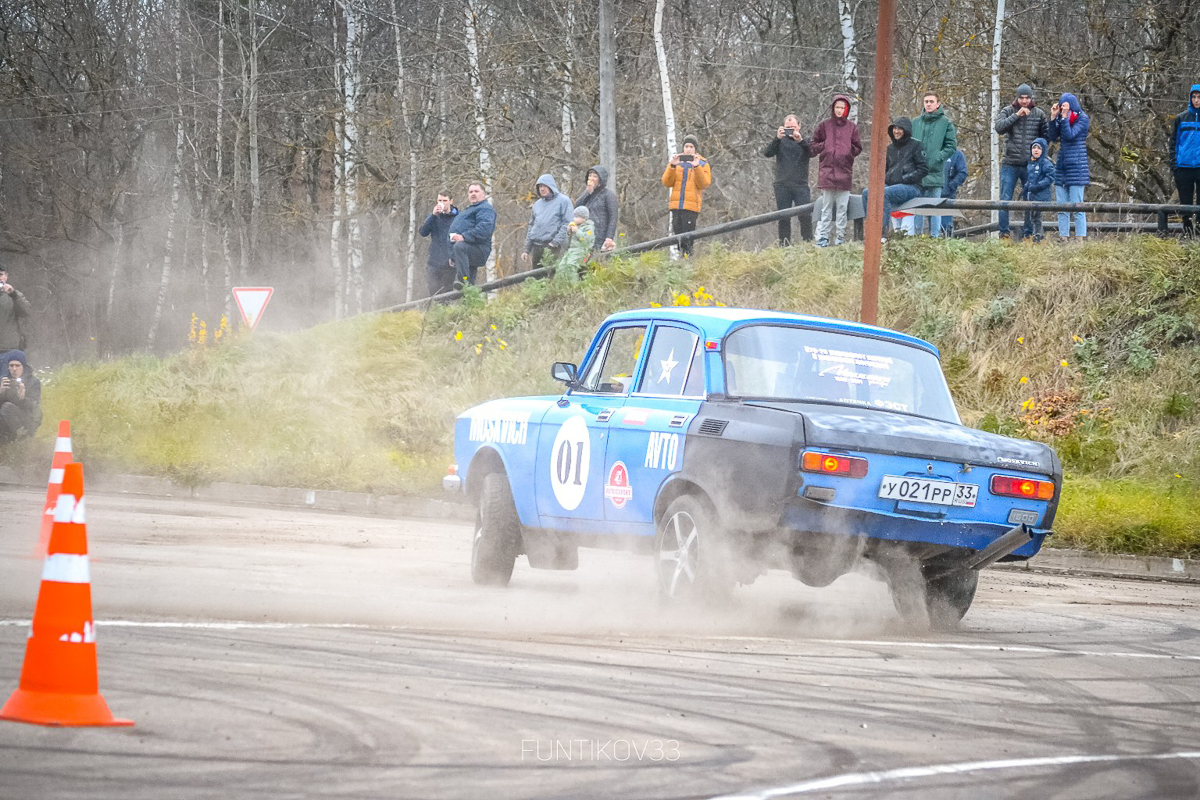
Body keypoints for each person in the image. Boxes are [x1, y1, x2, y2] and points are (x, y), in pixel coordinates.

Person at [994, 84, 1049, 240]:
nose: (1024, 101)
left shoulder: (1039, 114)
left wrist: (1040, 157)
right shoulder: (1008, 110)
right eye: (1021, 98)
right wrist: (1017, 115)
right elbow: (999, 128)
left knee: (1029, 199)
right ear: (1017, 98)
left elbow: (1045, 137)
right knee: (1005, 198)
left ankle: (1028, 233)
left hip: (1030, 164)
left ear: (1031, 98)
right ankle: (1004, 233)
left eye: (1027, 98)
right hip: (1010, 162)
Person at [809, 94, 862, 247]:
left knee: (842, 208)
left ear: (846, 109)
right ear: (833, 108)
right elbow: (813, 145)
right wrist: (825, 147)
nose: (839, 110)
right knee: (826, 208)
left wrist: (848, 152)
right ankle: (823, 237)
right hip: (827, 173)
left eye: (842, 108)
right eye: (837, 107)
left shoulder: (851, 128)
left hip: (844, 173)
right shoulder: (824, 125)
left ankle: (840, 237)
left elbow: (857, 147)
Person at [862, 118, 927, 241]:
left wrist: (906, 178)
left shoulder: (916, 145)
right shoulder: (889, 149)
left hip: (912, 187)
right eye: (894, 128)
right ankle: (871, 231)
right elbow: (884, 171)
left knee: (884, 193)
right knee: (867, 193)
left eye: (899, 128)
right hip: (892, 186)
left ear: (906, 130)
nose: (896, 131)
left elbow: (923, 169)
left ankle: (882, 235)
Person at [905, 92, 957, 237]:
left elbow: (951, 145)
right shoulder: (915, 122)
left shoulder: (946, 123)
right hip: (917, 173)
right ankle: (917, 237)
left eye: (931, 101)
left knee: (935, 208)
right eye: (926, 101)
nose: (928, 104)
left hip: (935, 171)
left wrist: (938, 157)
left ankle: (935, 237)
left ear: (937, 104)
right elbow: (907, 144)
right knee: (917, 207)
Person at [762, 114, 812, 245]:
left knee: (805, 215)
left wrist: (800, 140)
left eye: (793, 127)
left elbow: (812, 152)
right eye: (788, 128)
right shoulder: (780, 142)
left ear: (799, 127)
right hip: (782, 185)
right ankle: (784, 246)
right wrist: (777, 138)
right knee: (783, 217)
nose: (791, 130)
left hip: (800, 185)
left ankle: (808, 243)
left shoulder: (804, 141)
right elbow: (767, 153)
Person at [1047, 93, 1091, 240]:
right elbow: (1053, 136)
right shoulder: (1062, 118)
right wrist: (1054, 117)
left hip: (1077, 167)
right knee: (1062, 206)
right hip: (1062, 166)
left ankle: (1080, 238)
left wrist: (1064, 117)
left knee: (1077, 206)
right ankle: (1063, 237)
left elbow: (1070, 135)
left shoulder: (1082, 119)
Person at [662, 134, 712, 256]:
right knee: (677, 236)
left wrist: (696, 167)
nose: (688, 149)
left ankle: (688, 259)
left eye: (691, 146)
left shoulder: (703, 163)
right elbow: (666, 182)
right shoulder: (677, 162)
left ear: (695, 148)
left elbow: (704, 184)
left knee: (688, 238)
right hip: (676, 206)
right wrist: (672, 165)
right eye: (686, 146)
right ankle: (680, 259)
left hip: (691, 207)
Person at [448, 182, 496, 287]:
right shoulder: (469, 209)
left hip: (479, 248)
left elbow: (484, 229)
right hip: (468, 249)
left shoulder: (485, 208)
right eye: (471, 192)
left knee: (460, 247)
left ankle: (463, 280)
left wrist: (464, 237)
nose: (473, 194)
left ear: (483, 194)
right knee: (470, 280)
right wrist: (453, 255)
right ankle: (469, 295)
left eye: (476, 191)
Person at [521, 173, 572, 269]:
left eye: (544, 185)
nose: (542, 189)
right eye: (540, 186)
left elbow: (567, 223)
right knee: (537, 279)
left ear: (550, 186)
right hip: (537, 247)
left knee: (552, 277)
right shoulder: (537, 205)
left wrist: (555, 242)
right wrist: (526, 249)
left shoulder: (563, 201)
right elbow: (531, 226)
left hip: (553, 247)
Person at [1170, 84, 1200, 237]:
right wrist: (1174, 166)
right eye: (1194, 97)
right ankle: (1188, 235)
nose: (1196, 100)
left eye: (1199, 97)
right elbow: (1173, 143)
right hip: (1183, 167)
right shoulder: (1181, 118)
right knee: (1186, 205)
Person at [418, 191, 459, 297]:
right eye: (439, 200)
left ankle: (447, 312)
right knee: (433, 291)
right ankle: (435, 312)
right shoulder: (434, 217)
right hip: (434, 261)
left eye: (445, 200)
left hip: (449, 262)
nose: (442, 203)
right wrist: (432, 215)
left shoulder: (458, 218)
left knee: (447, 292)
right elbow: (423, 232)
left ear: (451, 201)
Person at [574, 166, 618, 253]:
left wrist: (609, 237)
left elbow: (613, 217)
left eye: (595, 176)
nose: (591, 178)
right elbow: (576, 207)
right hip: (585, 235)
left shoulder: (608, 195)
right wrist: (587, 193)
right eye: (590, 176)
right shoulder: (587, 194)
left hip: (600, 235)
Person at [0, 350, 41, 444]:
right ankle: (5, 444)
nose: (14, 369)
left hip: (26, 419)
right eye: (11, 365)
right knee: (5, 408)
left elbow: (34, 407)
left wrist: (22, 398)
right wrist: (1, 392)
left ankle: (20, 439)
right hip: (5, 420)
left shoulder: (33, 382)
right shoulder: (4, 381)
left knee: (7, 407)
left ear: (23, 366)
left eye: (17, 365)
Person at [1022, 138, 1056, 242]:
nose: (1036, 150)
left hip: (1041, 196)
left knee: (1037, 218)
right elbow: (1031, 179)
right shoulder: (1031, 164)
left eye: (1038, 148)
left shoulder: (1045, 163)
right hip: (1031, 196)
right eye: (1034, 148)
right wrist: (1026, 187)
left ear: (1043, 150)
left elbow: (1050, 177)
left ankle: (1038, 237)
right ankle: (1034, 236)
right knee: (1031, 217)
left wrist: (1038, 186)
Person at [556, 207, 595, 283]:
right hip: (571, 250)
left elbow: (586, 239)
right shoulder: (576, 226)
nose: (574, 219)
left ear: (584, 218)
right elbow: (569, 240)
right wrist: (569, 232)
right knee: (562, 266)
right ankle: (561, 284)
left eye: (577, 217)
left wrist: (577, 231)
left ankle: (573, 285)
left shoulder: (589, 228)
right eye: (574, 216)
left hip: (580, 250)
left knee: (572, 266)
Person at [0, 268, 32, 352]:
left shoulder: (15, 295)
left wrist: (13, 295)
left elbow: (25, 312)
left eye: (0, 274)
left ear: (6, 277)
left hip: (10, 348)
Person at [940, 148, 967, 236]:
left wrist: (951, 185)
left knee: (946, 226)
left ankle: (947, 244)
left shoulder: (957, 154)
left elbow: (962, 173)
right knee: (933, 225)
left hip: (947, 197)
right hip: (930, 194)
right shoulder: (932, 151)